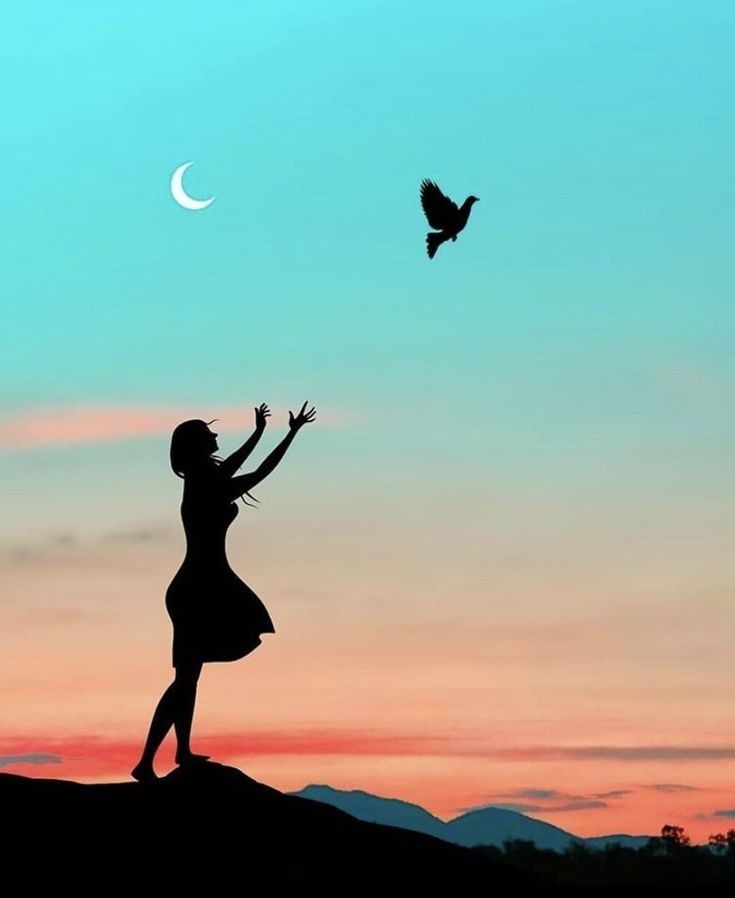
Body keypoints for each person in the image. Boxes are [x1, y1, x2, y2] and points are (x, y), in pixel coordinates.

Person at [131, 400, 316, 782]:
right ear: (199, 446)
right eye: (209, 434)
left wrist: (265, 432)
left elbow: (241, 464)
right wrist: (287, 434)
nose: (216, 437)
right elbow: (259, 470)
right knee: (185, 678)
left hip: (205, 583)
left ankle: (178, 753)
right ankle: (146, 762)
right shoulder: (203, 484)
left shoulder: (203, 480)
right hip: (197, 587)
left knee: (189, 677)